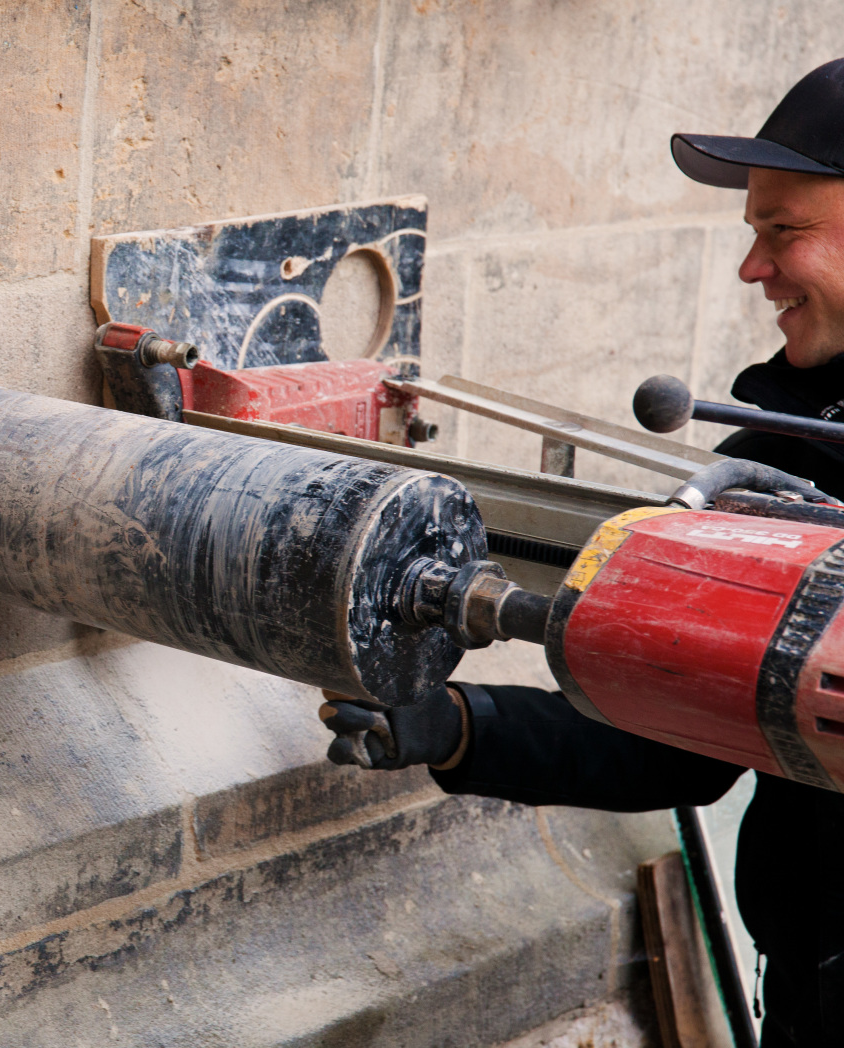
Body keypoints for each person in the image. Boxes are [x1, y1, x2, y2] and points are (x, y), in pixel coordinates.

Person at [322, 59, 844, 1046]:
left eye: (785, 232)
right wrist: (458, 723)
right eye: (752, 234)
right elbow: (681, 728)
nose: (751, 269)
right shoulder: (778, 442)